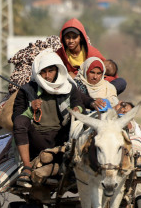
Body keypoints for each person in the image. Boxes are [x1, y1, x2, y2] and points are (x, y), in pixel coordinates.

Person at [11, 49, 95, 188]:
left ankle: (77, 163)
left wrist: (77, 110)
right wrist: (30, 108)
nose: (47, 76)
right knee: (20, 122)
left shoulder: (68, 87)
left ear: (58, 70)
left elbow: (79, 104)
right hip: (37, 138)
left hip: (62, 138)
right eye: (43, 72)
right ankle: (26, 167)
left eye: (51, 71)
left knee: (81, 123)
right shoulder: (28, 90)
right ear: (38, 73)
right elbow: (16, 116)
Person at [56, 18, 127, 94]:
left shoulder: (91, 52)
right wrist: (70, 76)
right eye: (68, 37)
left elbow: (106, 70)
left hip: (94, 84)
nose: (71, 41)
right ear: (63, 38)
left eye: (74, 37)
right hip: (75, 87)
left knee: (121, 82)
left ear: (81, 38)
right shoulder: (60, 54)